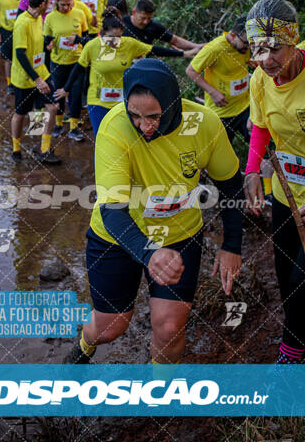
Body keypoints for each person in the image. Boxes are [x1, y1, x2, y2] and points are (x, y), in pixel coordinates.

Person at [63, 58, 243, 364]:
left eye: (154, 117)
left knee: (170, 328)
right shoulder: (114, 128)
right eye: (135, 115)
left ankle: (157, 397)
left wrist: (231, 246)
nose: (145, 127)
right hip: (118, 237)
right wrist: (149, 252)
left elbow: (230, 184)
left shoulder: (204, 123)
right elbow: (113, 209)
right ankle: (84, 345)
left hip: (179, 233)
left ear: (173, 106)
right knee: (110, 328)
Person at [243, 0, 305, 364]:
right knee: (286, 277)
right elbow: (261, 127)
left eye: (274, 49)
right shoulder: (260, 81)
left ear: (294, 42)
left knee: (301, 282)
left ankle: (291, 354)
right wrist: (252, 170)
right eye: (257, 50)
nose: (265, 60)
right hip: (286, 195)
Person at [55, 7, 194, 137]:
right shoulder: (92, 46)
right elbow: (78, 68)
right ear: (103, 33)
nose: (115, 42)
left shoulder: (129, 44)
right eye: (111, 38)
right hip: (98, 101)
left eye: (118, 37)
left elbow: (154, 50)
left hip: (122, 100)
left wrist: (184, 54)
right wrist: (66, 89)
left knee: (123, 137)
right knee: (102, 138)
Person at [11, 0, 61, 164]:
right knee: (20, 113)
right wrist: (37, 80)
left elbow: (36, 42)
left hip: (41, 71)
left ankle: (43, 148)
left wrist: (47, 43)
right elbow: (20, 55)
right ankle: (16, 148)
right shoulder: (21, 23)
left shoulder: (39, 18)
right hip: (25, 77)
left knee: (53, 107)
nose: (50, 5)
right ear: (42, 4)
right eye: (49, 2)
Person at [186, 17, 251, 144]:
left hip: (245, 106)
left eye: (251, 43)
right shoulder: (215, 49)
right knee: (222, 153)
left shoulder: (244, 47)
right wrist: (212, 92)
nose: (248, 48)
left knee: (263, 148)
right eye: (246, 43)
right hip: (221, 112)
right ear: (232, 36)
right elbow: (191, 71)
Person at [44, 0, 89, 141]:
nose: (67, 7)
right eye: (63, 4)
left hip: (77, 62)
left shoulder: (79, 14)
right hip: (58, 63)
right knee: (58, 94)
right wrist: (48, 45)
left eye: (69, 4)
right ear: (56, 2)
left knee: (76, 95)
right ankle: (58, 124)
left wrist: (79, 41)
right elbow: (47, 39)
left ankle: (74, 128)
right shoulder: (50, 17)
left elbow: (86, 37)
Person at [123, 0, 203, 54]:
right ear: (134, 12)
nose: (146, 22)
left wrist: (196, 46)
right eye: (143, 18)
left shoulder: (153, 27)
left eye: (149, 18)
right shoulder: (121, 23)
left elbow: (175, 40)